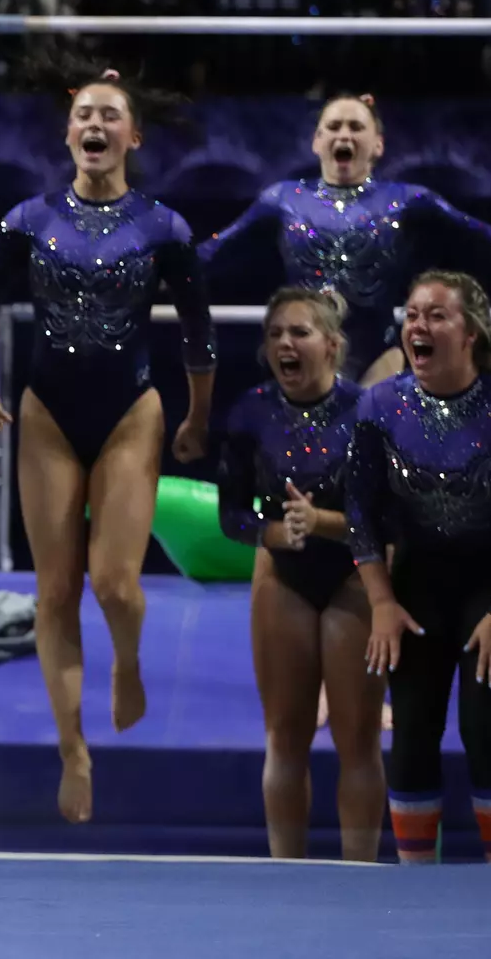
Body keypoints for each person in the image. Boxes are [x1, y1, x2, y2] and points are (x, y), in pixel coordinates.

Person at [0, 66, 215, 824]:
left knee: (115, 586)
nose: (95, 125)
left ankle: (127, 662)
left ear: (132, 137)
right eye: (84, 115)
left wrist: (197, 415)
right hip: (47, 413)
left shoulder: (163, 227)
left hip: (129, 411)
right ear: (68, 133)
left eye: (110, 115)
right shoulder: (28, 219)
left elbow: (197, 330)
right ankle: (72, 747)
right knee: (54, 591)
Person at [347, 270, 491, 864]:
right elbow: (360, 513)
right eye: (413, 314)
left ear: (470, 333)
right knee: (413, 732)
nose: (418, 325)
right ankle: (416, 886)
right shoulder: (379, 407)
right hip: (416, 585)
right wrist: (381, 602)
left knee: (485, 728)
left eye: (436, 315)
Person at [199, 94, 491, 385]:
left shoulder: (407, 200)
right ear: (316, 141)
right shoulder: (282, 199)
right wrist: (164, 270)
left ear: (378, 144)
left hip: (379, 358)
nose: (344, 134)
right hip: (306, 356)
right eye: (333, 126)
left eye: (355, 127)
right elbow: (210, 254)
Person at [215, 287, 384, 861]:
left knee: (357, 740)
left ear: (332, 345)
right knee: (285, 737)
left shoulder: (369, 413)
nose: (284, 343)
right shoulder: (250, 412)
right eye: (275, 334)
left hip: (354, 577)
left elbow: (390, 520)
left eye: (299, 332)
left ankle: (359, 877)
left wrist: (323, 523)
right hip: (284, 576)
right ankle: (286, 877)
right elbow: (231, 513)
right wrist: (272, 533)